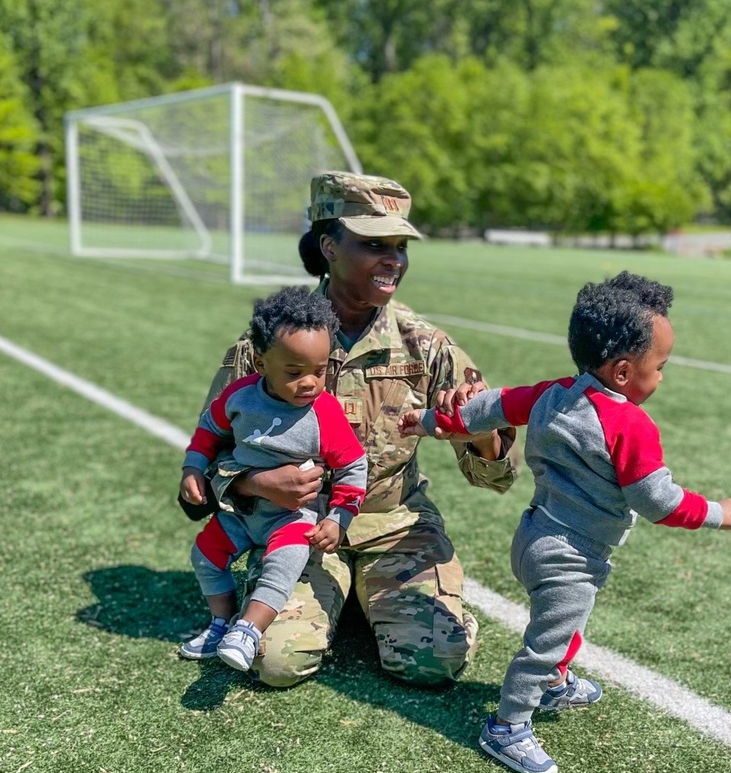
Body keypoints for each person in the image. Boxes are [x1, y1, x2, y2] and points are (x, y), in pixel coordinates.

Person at [400, 271, 731, 773]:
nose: (663, 378)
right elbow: (658, 501)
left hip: (534, 536)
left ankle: (556, 682)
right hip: (570, 555)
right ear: (624, 372)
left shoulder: (556, 392)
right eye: (661, 367)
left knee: (567, 626)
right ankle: (508, 724)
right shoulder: (630, 424)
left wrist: (430, 422)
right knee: (546, 641)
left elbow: (488, 407)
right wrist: (720, 512)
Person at [187, 171, 517, 687]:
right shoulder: (269, 345)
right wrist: (254, 484)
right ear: (329, 246)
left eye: (401, 246)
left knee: (432, 660)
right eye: (373, 245)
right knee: (275, 662)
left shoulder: (425, 346)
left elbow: (498, 477)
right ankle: (345, 600)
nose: (394, 260)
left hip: (396, 525)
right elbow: (207, 454)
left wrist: (473, 432)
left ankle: (381, 601)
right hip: (295, 529)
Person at [179, 287, 367, 672]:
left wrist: (337, 518)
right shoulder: (238, 396)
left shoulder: (324, 414)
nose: (311, 383)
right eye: (295, 373)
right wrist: (193, 467)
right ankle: (221, 622)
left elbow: (353, 466)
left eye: (320, 370)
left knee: (282, 566)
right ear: (261, 364)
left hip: (292, 519)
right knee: (205, 556)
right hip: (241, 512)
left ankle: (248, 630)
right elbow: (208, 431)